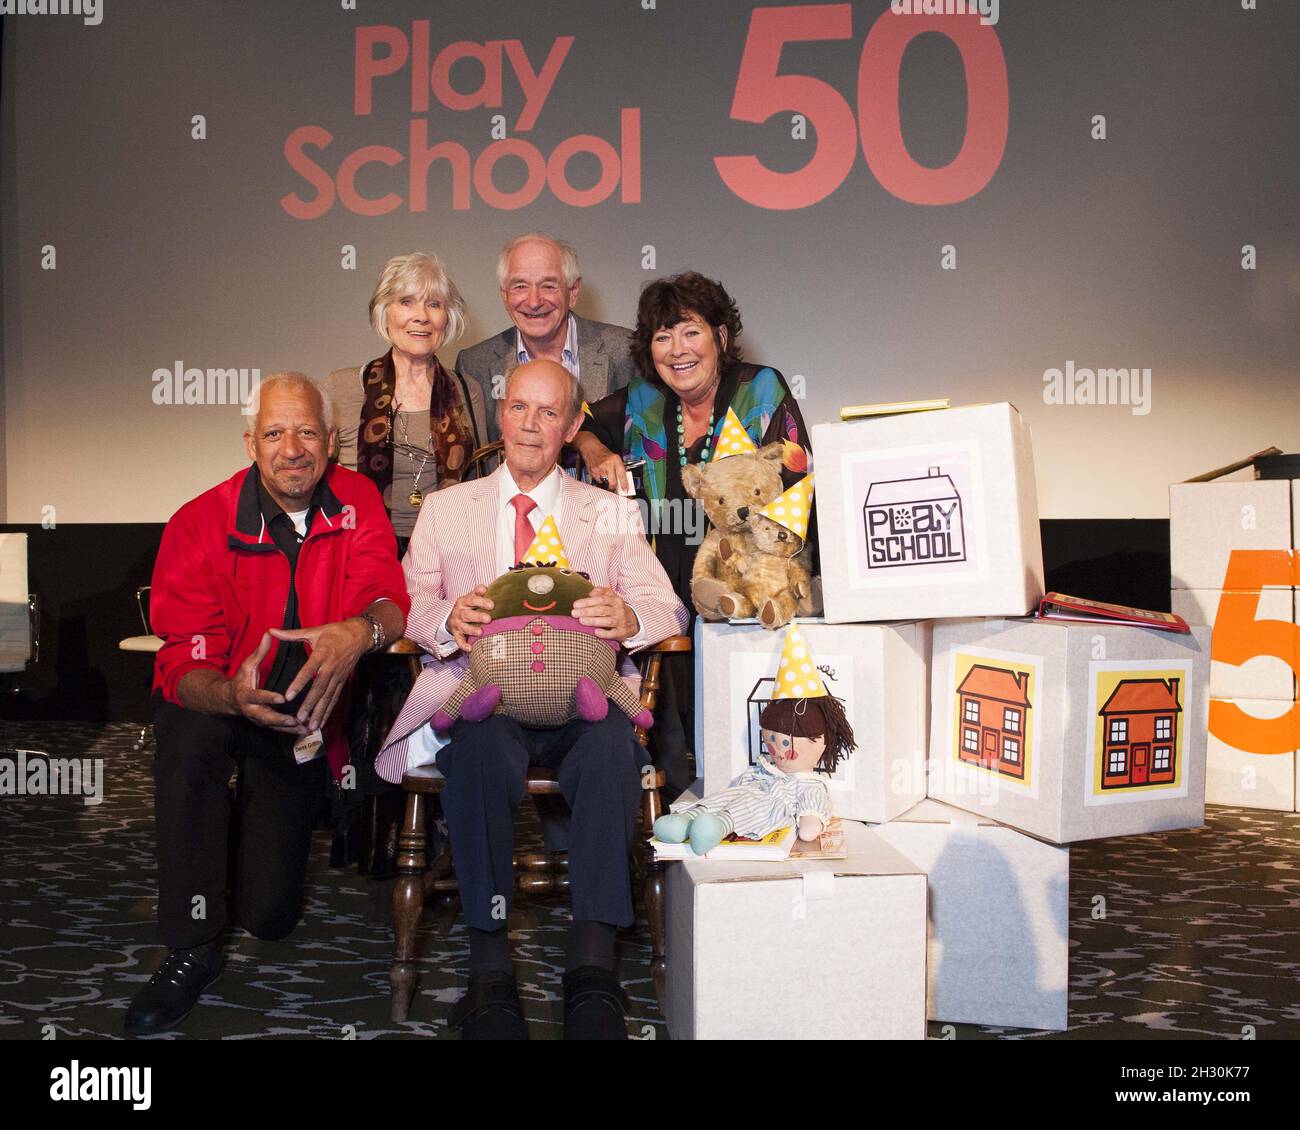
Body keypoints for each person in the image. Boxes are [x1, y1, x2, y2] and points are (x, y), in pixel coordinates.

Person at [374, 359, 688, 1040]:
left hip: (586, 704)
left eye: (550, 413)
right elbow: (408, 603)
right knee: (479, 754)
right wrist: (444, 621)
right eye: (519, 408)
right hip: (482, 701)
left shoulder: (607, 513)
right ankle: (489, 967)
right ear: (502, 411)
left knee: (612, 755)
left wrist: (630, 619)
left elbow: (668, 606)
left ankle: (593, 962)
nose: (530, 425)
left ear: (574, 426)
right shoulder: (446, 509)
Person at [124, 373, 409, 1037]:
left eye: (307, 431)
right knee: (189, 739)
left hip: (302, 718)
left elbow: (388, 601)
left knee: (270, 919)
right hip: (222, 700)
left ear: (331, 441)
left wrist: (359, 631)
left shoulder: (358, 498)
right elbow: (181, 663)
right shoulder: (198, 522)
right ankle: (190, 946)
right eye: (275, 432)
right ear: (250, 442)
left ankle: (241, 850)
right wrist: (230, 695)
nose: (292, 448)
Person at [580, 272, 813, 797]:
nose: (677, 350)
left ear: (721, 337)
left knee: (735, 725)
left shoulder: (761, 389)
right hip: (660, 589)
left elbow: (798, 483)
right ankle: (671, 837)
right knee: (664, 733)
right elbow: (585, 422)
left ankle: (744, 816)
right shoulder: (642, 399)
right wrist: (597, 451)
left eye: (690, 332)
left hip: (744, 587)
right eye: (662, 337)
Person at [324, 252, 486, 554]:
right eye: (406, 301)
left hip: (449, 554)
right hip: (358, 553)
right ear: (384, 312)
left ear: (447, 317)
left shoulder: (466, 390)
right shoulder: (341, 387)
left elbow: (483, 483)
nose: (421, 316)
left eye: (434, 304)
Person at [455, 232, 635, 465]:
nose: (534, 301)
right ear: (504, 295)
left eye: (548, 286)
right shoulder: (474, 365)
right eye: (520, 286)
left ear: (573, 291)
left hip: (602, 499)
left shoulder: (625, 351)